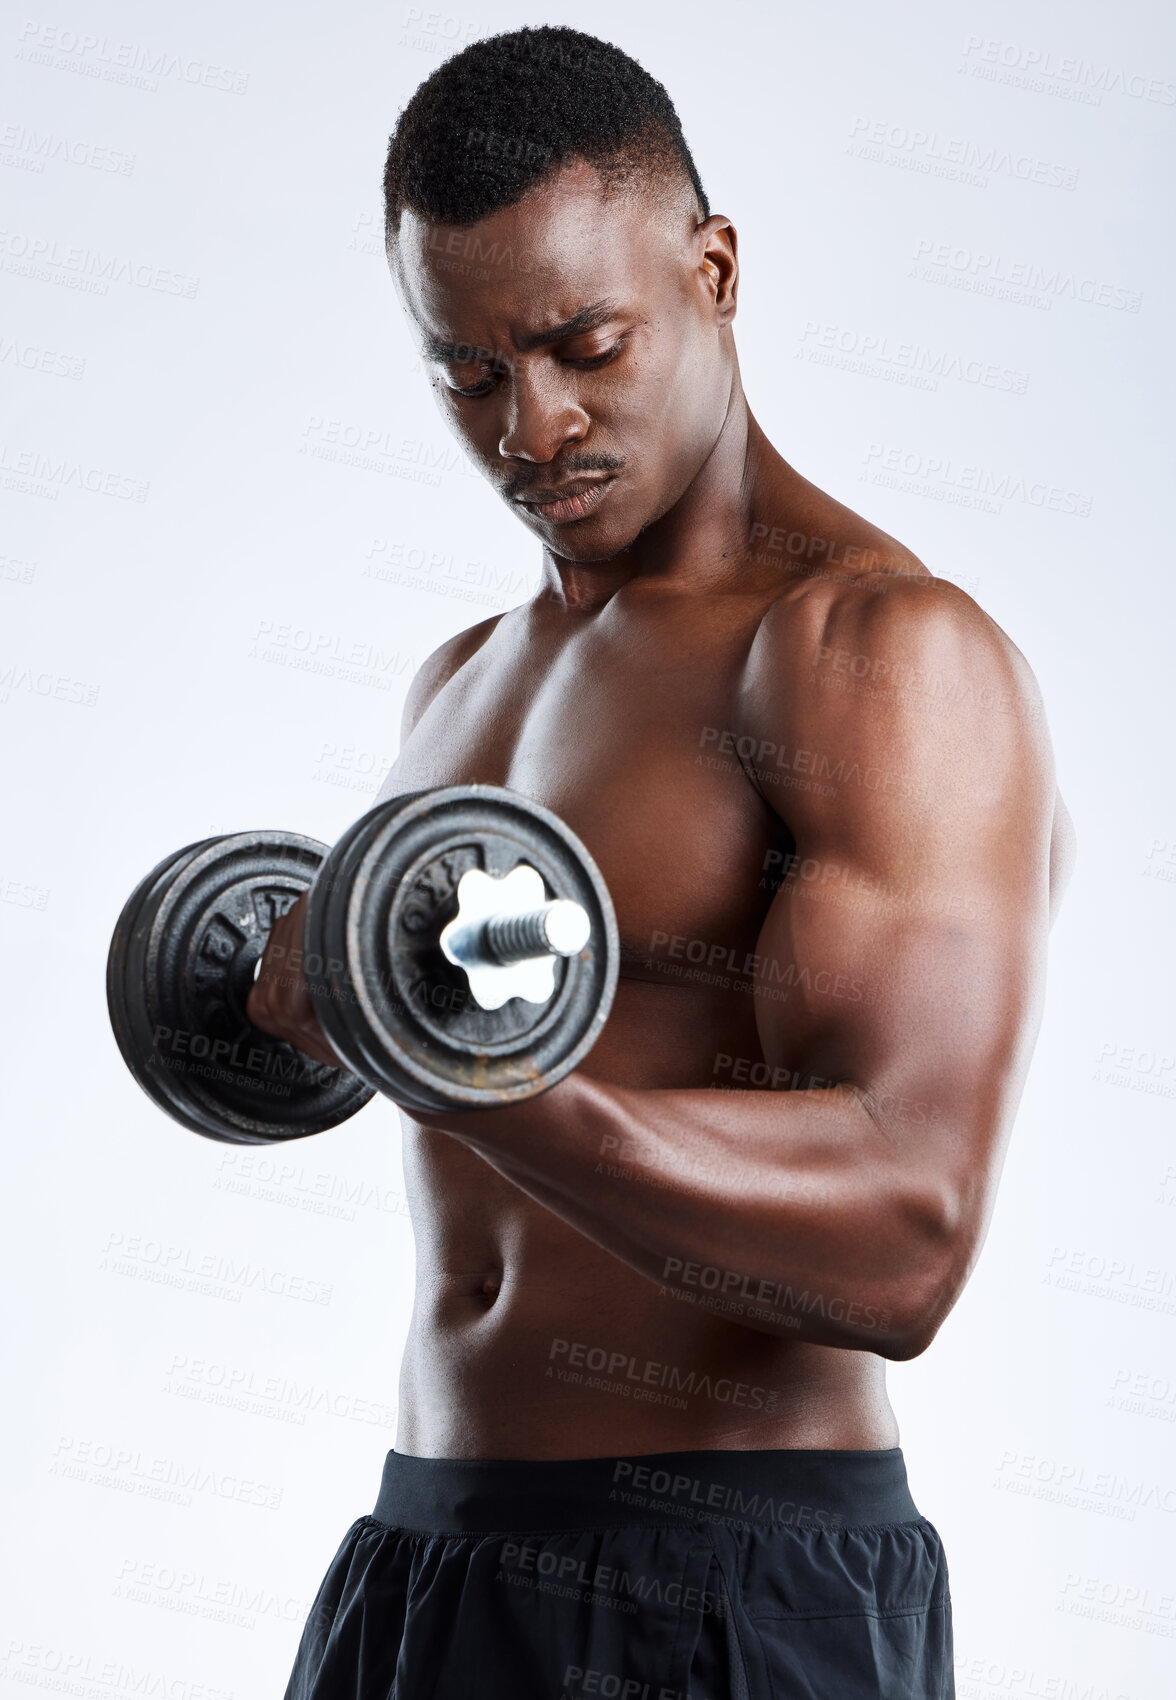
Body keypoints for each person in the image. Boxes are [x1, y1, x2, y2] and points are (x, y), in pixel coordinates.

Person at [247, 25, 1075, 1699]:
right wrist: (303, 1008)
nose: (531, 427)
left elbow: (907, 1236)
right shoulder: (463, 677)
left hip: (728, 1580)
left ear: (712, 271)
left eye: (583, 346)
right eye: (467, 373)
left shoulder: (871, 652)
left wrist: (469, 1073)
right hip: (424, 1556)